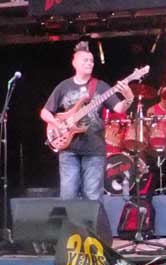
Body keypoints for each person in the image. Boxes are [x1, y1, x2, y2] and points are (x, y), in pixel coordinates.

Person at [40, 41, 135, 201]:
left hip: (94, 149)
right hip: (68, 149)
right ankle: (71, 227)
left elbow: (119, 108)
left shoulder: (101, 86)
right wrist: (57, 124)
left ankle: (91, 227)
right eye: (85, 60)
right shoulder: (64, 86)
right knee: (68, 195)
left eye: (91, 61)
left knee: (92, 196)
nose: (90, 63)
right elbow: (45, 112)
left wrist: (129, 98)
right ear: (74, 62)